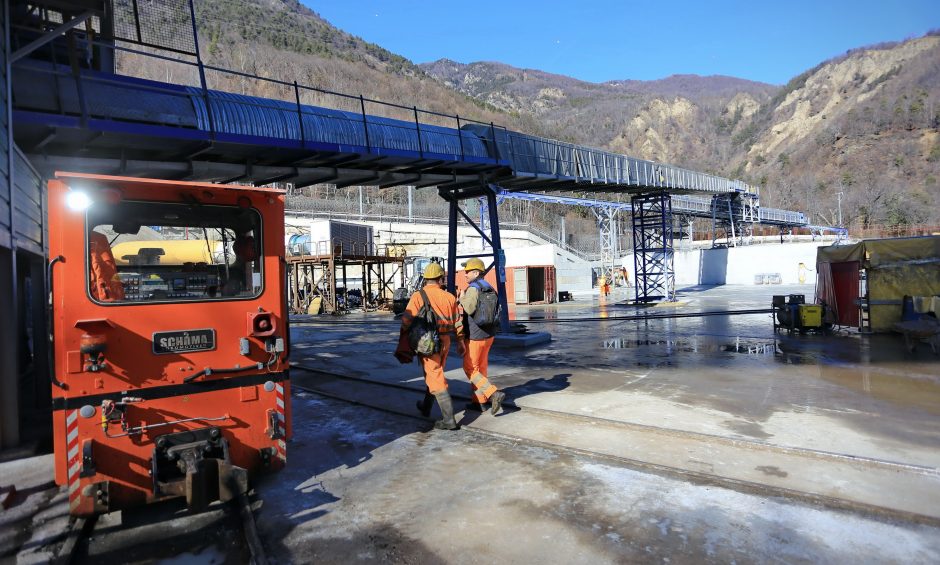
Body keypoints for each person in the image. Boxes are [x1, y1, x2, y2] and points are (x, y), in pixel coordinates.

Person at [394, 263, 466, 430]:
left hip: (428, 342)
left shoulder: (418, 296)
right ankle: (426, 407)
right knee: (435, 373)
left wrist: (405, 337)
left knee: (435, 376)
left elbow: (406, 320)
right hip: (445, 341)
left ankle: (449, 420)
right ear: (440, 279)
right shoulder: (449, 297)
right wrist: (461, 341)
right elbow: (458, 321)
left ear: (426, 279)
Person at [458, 258, 506, 415]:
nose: (465, 274)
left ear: (476, 272)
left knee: (470, 368)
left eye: (467, 271)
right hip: (489, 334)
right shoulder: (489, 287)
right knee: (481, 368)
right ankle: (480, 401)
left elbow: (470, 308)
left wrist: (461, 297)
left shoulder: (473, 289)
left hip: (475, 336)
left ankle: (492, 393)